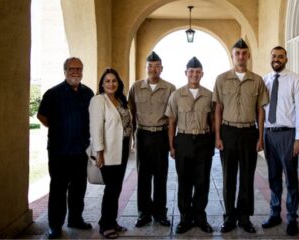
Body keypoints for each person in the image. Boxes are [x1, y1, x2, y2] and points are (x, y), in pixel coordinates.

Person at [213, 39, 269, 233]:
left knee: (247, 176)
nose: (241, 56)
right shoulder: (221, 79)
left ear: (249, 55)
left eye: (244, 53)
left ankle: (244, 218)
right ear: (232, 55)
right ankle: (229, 217)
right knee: (229, 176)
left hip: (249, 132)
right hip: (228, 132)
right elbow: (218, 109)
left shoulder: (257, 80)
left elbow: (260, 111)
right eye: (237, 53)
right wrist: (217, 136)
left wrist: (260, 137)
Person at [37, 57, 94, 239]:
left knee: (79, 188)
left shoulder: (88, 93)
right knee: (58, 189)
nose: (75, 72)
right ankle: (55, 225)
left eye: (79, 69)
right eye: (71, 69)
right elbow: (42, 116)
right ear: (65, 71)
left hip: (80, 151)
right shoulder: (53, 93)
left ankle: (75, 219)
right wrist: (60, 128)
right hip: (59, 151)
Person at [165, 57, 215, 234]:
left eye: (198, 71)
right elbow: (172, 121)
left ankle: (200, 217)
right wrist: (171, 145)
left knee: (202, 182)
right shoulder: (176, 95)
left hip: (203, 140)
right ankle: (185, 218)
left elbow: (212, 120)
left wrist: (214, 141)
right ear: (186, 73)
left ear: (202, 74)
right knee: (184, 181)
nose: (194, 74)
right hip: (184, 140)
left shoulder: (209, 95)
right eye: (191, 71)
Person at [261, 46, 299, 236]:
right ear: (270, 58)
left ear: (286, 59)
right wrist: (260, 134)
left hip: (288, 134)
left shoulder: (295, 79)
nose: (277, 59)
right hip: (269, 133)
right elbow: (261, 110)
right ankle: (274, 213)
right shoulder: (265, 80)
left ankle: (292, 218)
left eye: (280, 56)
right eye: (274, 56)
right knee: (273, 176)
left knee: (291, 178)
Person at [128, 51, 176, 228]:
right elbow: (131, 112)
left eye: (157, 66)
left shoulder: (170, 88)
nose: (153, 69)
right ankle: (143, 213)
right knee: (143, 176)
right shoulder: (136, 87)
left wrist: (171, 143)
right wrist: (133, 138)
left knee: (161, 176)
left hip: (161, 135)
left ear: (161, 68)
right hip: (142, 134)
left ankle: (160, 213)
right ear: (145, 67)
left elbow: (173, 117)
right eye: (150, 66)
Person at [89, 68, 132, 238]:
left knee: (117, 187)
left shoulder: (120, 100)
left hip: (122, 147)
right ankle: (105, 224)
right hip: (108, 150)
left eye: (114, 81)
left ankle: (111, 220)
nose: (111, 84)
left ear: (118, 83)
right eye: (107, 81)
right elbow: (96, 128)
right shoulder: (98, 100)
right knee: (111, 188)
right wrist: (99, 152)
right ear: (102, 84)